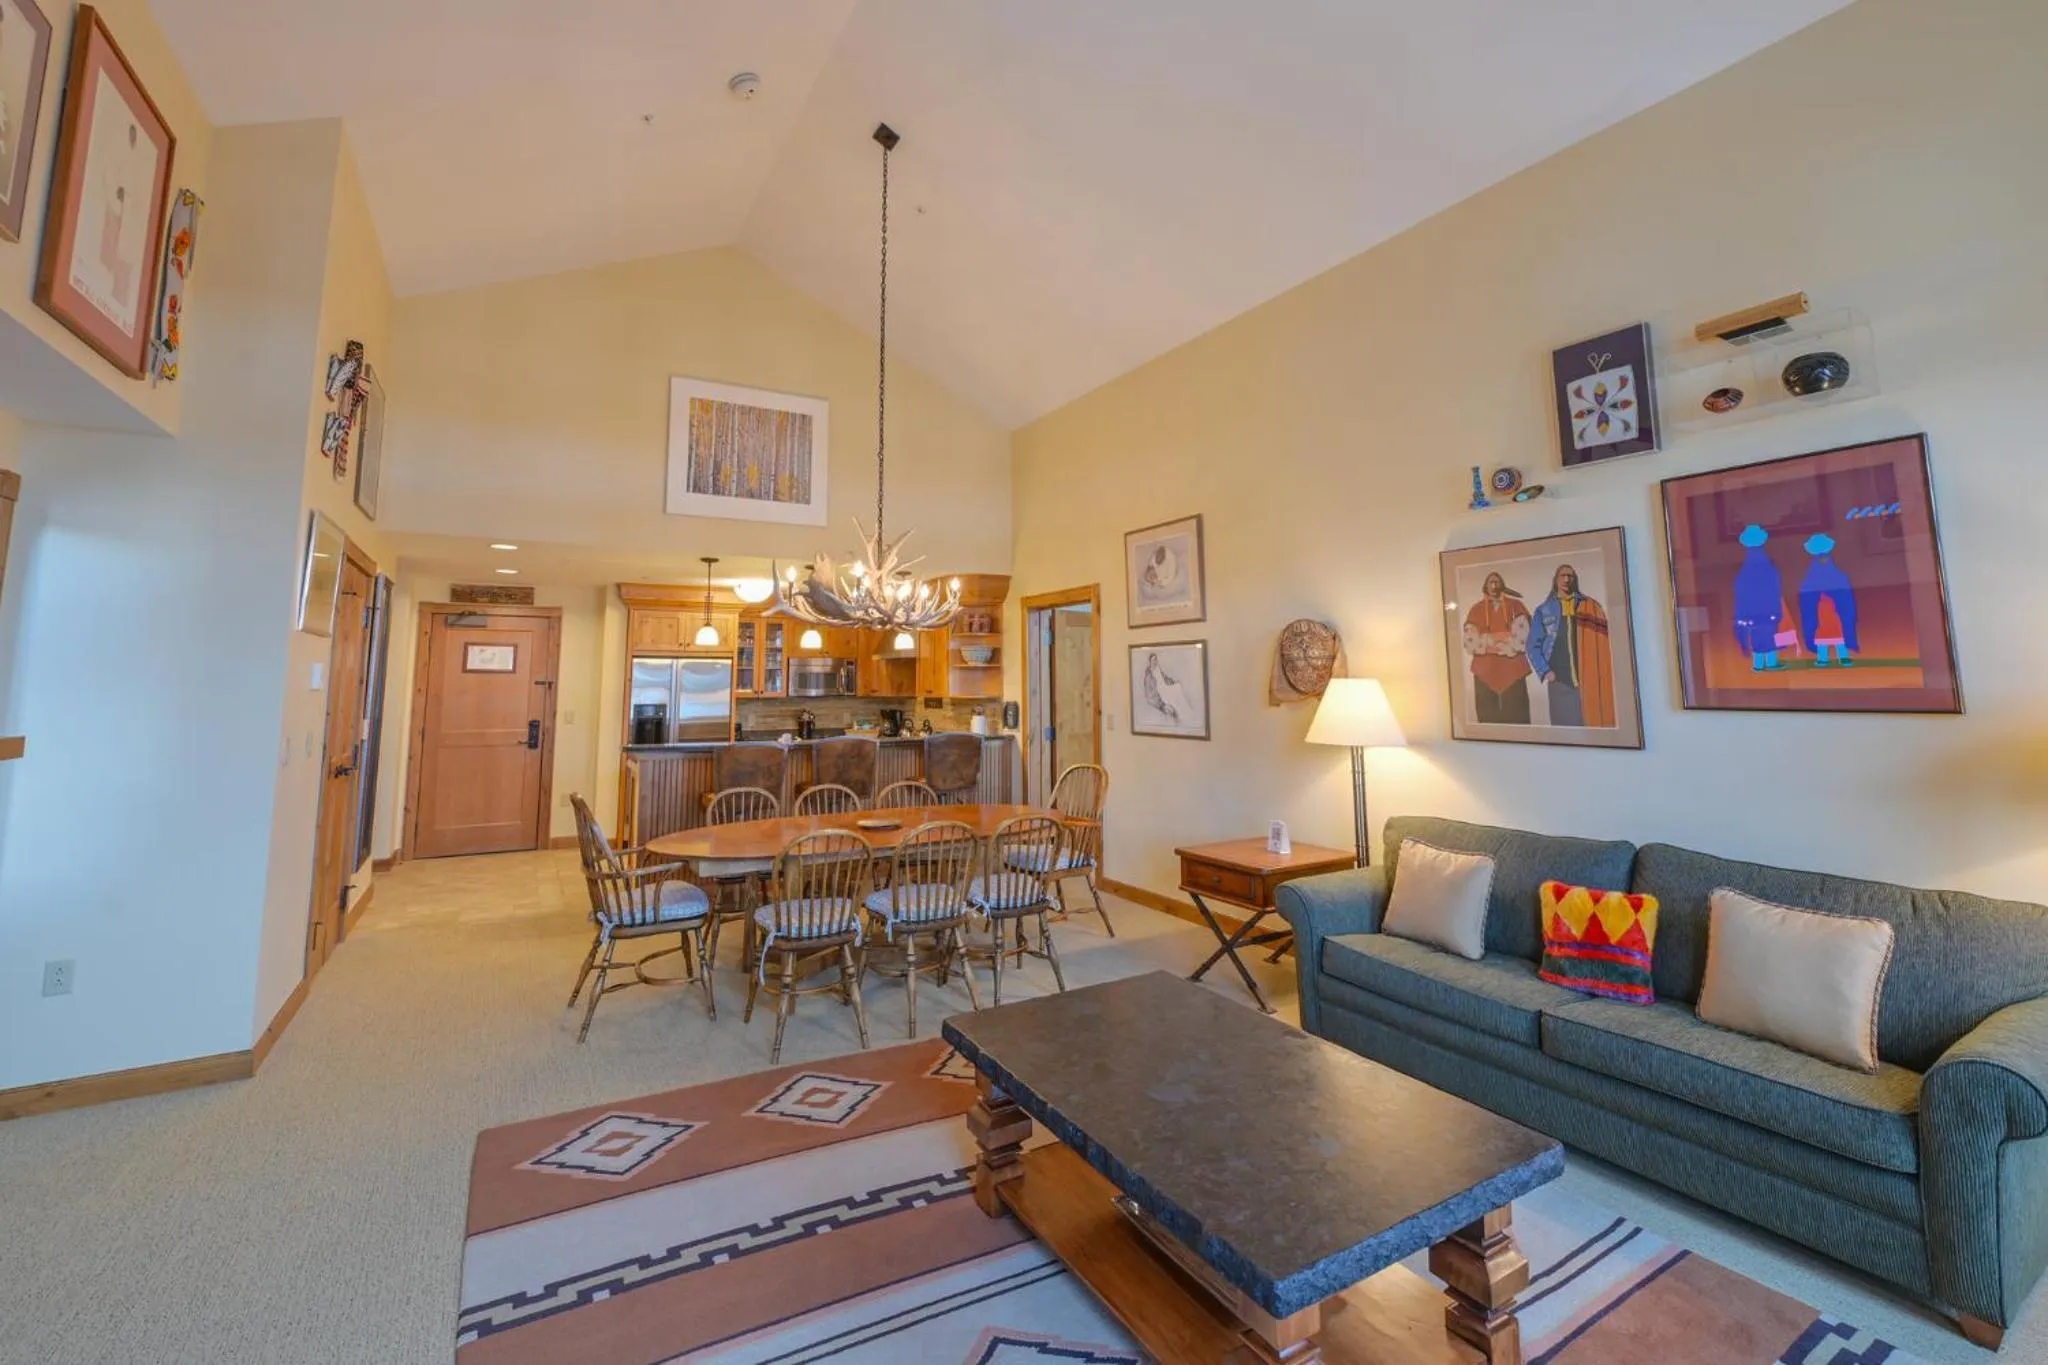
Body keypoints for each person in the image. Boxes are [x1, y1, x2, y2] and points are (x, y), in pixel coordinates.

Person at [1527, 564, 1616, 727]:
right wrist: (1545, 671)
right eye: (1563, 575)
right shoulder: (1544, 610)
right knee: (1564, 730)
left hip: (1587, 679)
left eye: (1570, 576)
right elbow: (1532, 646)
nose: (1567, 579)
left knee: (1590, 727)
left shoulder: (1589, 606)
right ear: (1556, 580)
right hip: (1559, 680)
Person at [1461, 571, 1532, 723]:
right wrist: (1504, 638)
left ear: (1502, 585)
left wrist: (1488, 641)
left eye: (1497, 582)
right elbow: (1470, 642)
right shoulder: (1476, 609)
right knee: (1488, 719)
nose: (1494, 586)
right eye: (1490, 582)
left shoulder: (1516, 606)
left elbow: (1522, 638)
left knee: (1517, 717)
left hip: (1514, 671)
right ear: (1485, 586)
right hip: (1484, 671)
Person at [1730, 524, 1786, 671]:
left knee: (1758, 638)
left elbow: (1740, 593)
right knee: (1769, 636)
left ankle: (1758, 664)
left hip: (1750, 613)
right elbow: (1774, 587)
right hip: (1768, 611)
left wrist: (1741, 615)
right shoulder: (1767, 568)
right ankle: (1771, 663)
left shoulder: (1744, 571)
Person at [1799, 533, 1860, 666]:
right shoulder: (1835, 574)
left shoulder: (1813, 575)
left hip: (1825, 611)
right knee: (1835, 631)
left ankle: (1825, 658)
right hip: (1829, 611)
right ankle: (1840, 657)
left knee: (1826, 632)